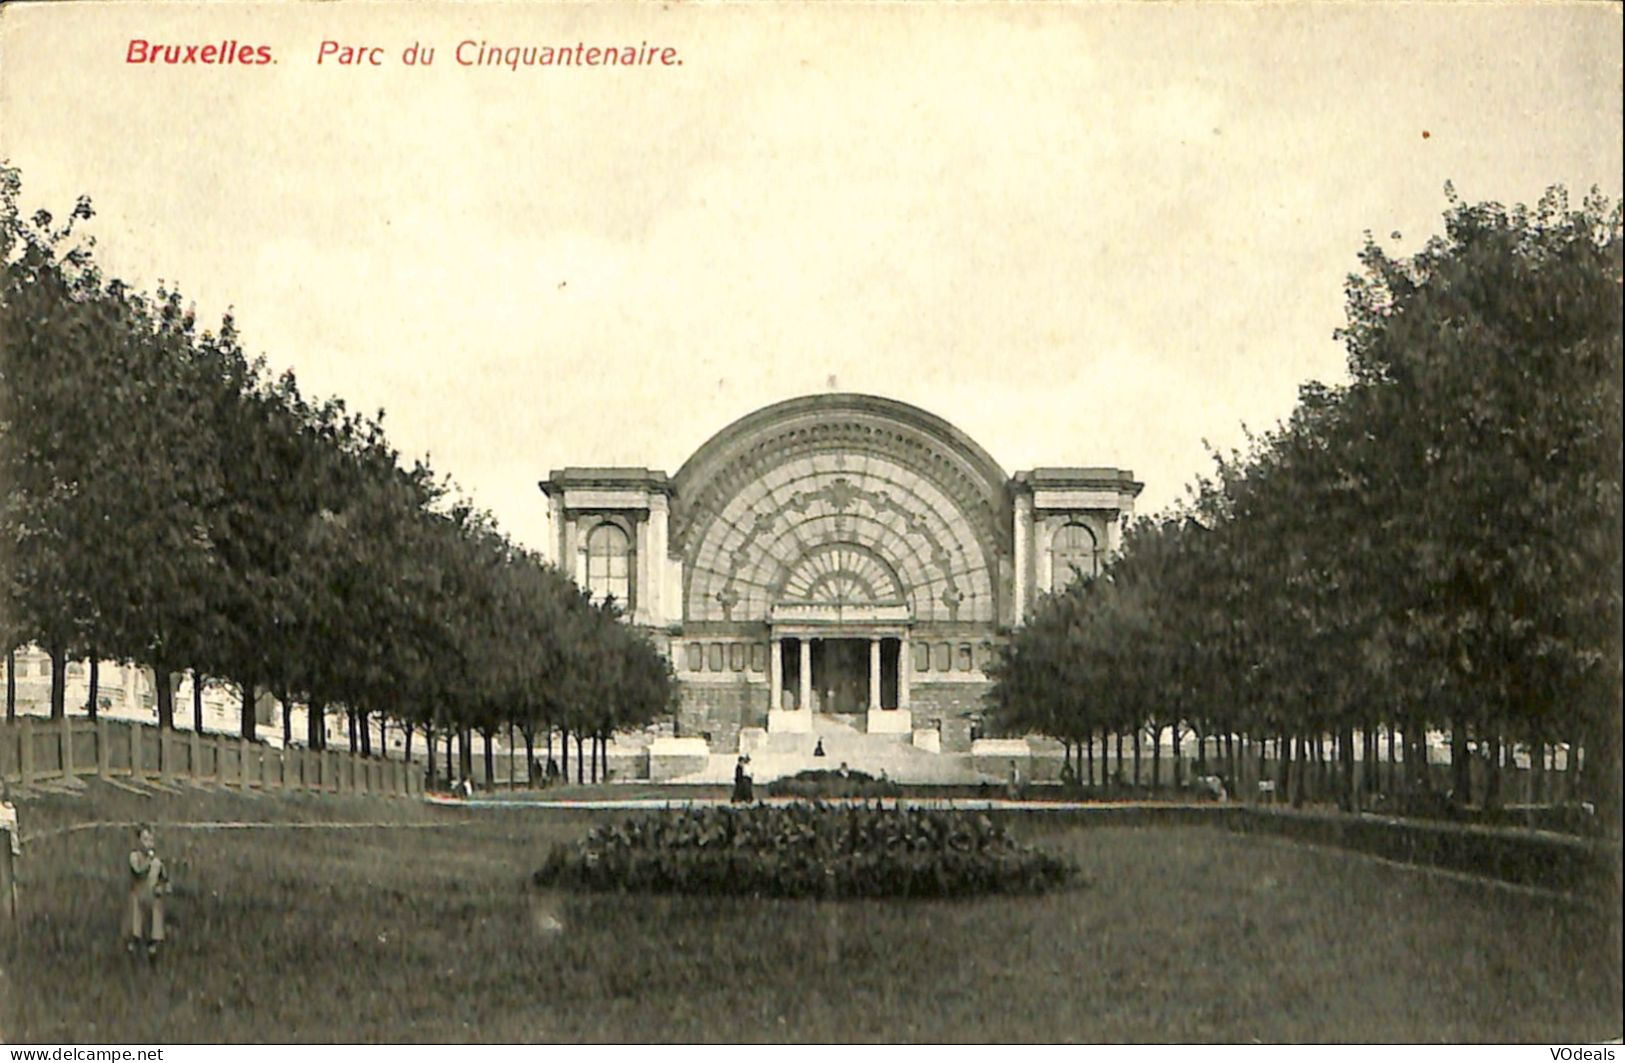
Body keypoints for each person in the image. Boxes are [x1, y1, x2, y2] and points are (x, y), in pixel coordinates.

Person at [127, 824, 170, 963]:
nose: (148, 844)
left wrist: (162, 887)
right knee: (136, 923)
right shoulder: (134, 857)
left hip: (152, 897)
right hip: (139, 895)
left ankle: (153, 950)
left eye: (150, 840)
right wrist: (149, 862)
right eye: (145, 840)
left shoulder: (157, 862)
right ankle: (133, 948)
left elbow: (164, 878)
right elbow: (138, 872)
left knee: (155, 918)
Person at [1, 782, 20, 927]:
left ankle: (9, 917)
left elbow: (13, 832)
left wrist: (15, 849)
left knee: (7, 881)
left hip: (4, 846)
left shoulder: (9, 810)